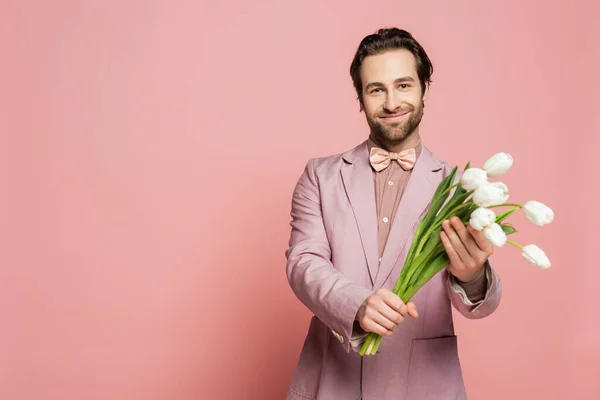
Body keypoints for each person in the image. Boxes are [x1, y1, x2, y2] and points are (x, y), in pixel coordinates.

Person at [284, 28, 502, 400]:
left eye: (403, 85)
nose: (390, 102)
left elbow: (480, 307)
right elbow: (303, 263)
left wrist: (471, 277)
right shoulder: (319, 176)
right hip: (333, 382)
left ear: (424, 90)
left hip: (426, 385)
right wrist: (355, 302)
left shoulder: (460, 187)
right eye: (376, 89)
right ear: (360, 98)